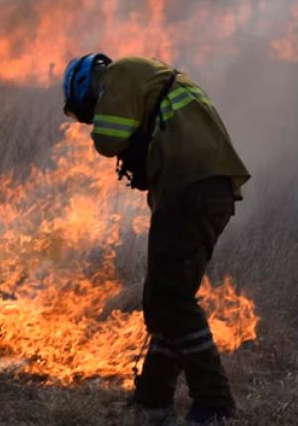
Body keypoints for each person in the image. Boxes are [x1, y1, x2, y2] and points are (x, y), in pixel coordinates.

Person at [62, 54, 250, 425]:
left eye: (90, 111)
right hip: (207, 191)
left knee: (172, 300)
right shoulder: (153, 80)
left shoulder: (118, 76)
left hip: (189, 189)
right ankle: (153, 399)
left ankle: (214, 404)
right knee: (164, 298)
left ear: (86, 87)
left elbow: (108, 140)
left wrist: (113, 134)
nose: (94, 116)